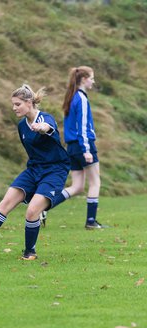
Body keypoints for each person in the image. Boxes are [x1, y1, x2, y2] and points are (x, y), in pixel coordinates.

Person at [0, 84, 70, 260]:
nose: (14, 108)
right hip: (34, 169)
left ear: (29, 103)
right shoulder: (21, 126)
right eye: (13, 104)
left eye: (17, 104)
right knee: (5, 203)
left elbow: (49, 128)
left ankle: (29, 251)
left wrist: (42, 128)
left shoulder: (46, 119)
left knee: (32, 211)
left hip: (55, 170)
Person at [45, 66, 107, 229]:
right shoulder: (82, 99)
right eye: (92, 78)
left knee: (77, 186)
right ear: (84, 79)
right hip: (82, 146)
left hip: (71, 147)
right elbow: (83, 128)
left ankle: (43, 208)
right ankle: (91, 222)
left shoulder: (71, 98)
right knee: (95, 183)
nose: (93, 81)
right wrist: (86, 150)